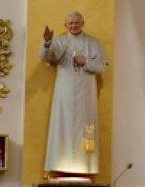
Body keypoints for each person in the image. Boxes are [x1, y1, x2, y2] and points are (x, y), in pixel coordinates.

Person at [39, 11, 108, 177]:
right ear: (65, 25)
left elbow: (102, 67)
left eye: (77, 22)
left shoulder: (93, 42)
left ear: (82, 23)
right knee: (62, 124)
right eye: (70, 23)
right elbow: (46, 57)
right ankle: (60, 166)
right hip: (65, 91)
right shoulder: (61, 41)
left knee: (85, 127)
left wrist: (86, 62)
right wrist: (47, 42)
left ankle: (85, 167)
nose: (74, 26)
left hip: (85, 92)